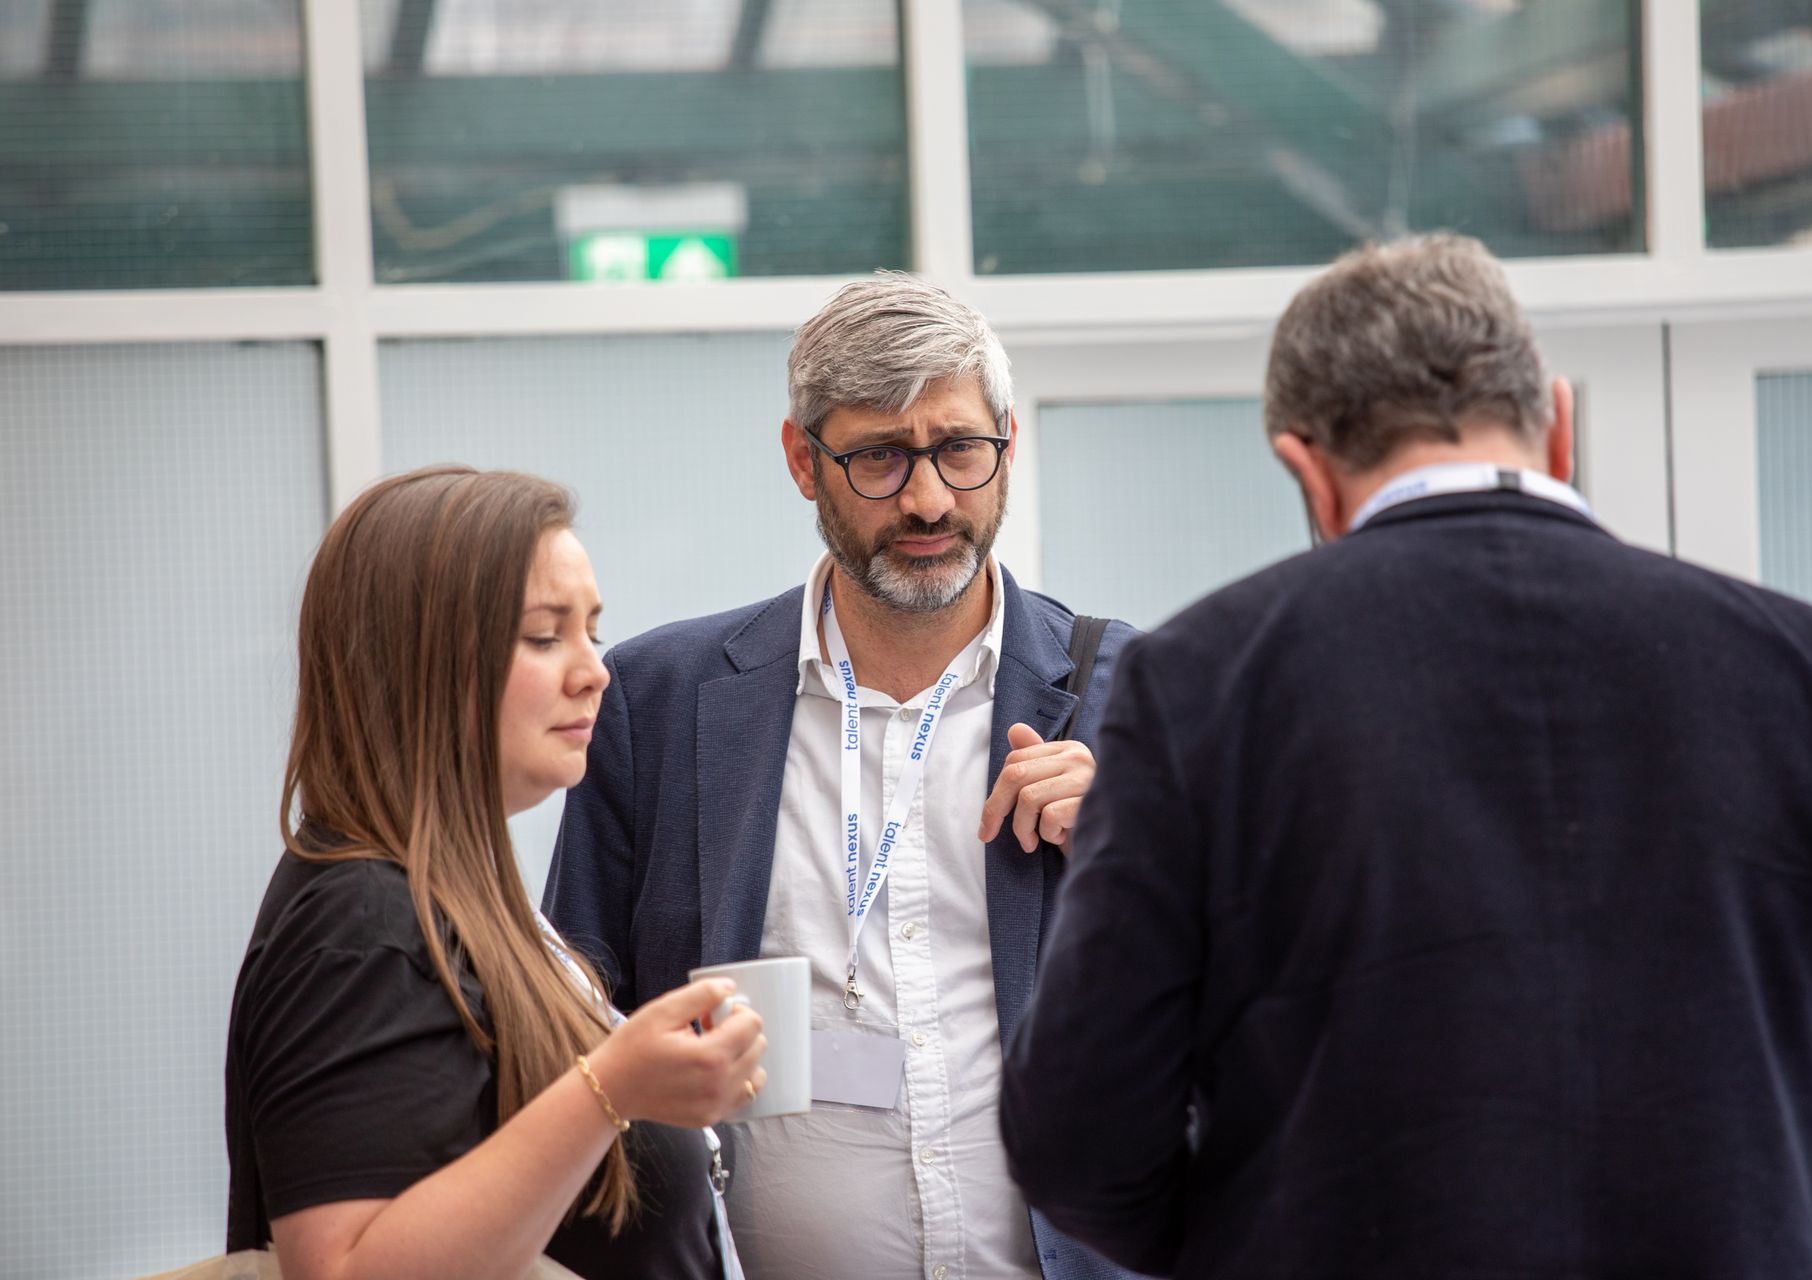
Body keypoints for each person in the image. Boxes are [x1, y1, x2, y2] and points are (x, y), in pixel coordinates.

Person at [999, 234, 1812, 1278]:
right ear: (1559, 427)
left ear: (1308, 471)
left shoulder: (1202, 683)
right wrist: (1772, 1229)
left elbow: (1078, 1133)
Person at [542, 274, 1142, 1280]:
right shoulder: (658, 702)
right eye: (879, 456)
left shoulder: (1136, 698)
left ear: (1007, 443)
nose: (928, 498)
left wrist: (1147, 849)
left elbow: (1272, 1014)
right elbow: (567, 1029)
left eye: (959, 448)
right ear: (802, 460)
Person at [225, 466, 767, 1280]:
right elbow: (343, 1269)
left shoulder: (452, 890)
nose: (594, 671)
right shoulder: (364, 920)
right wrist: (611, 1087)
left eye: (592, 630)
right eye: (545, 636)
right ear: (418, 662)